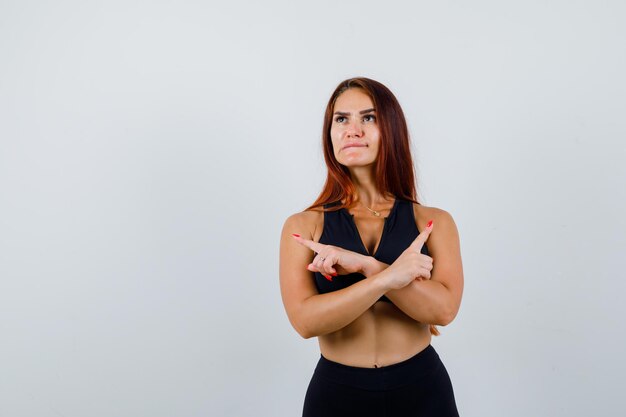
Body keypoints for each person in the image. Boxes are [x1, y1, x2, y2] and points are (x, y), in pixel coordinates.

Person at [279, 77, 464, 417]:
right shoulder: (303, 227)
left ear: (390, 129)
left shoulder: (434, 222)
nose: (353, 130)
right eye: (341, 119)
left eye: (368, 117)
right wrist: (386, 279)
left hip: (422, 391)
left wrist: (368, 266)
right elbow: (305, 322)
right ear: (330, 133)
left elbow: (444, 311)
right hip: (337, 396)